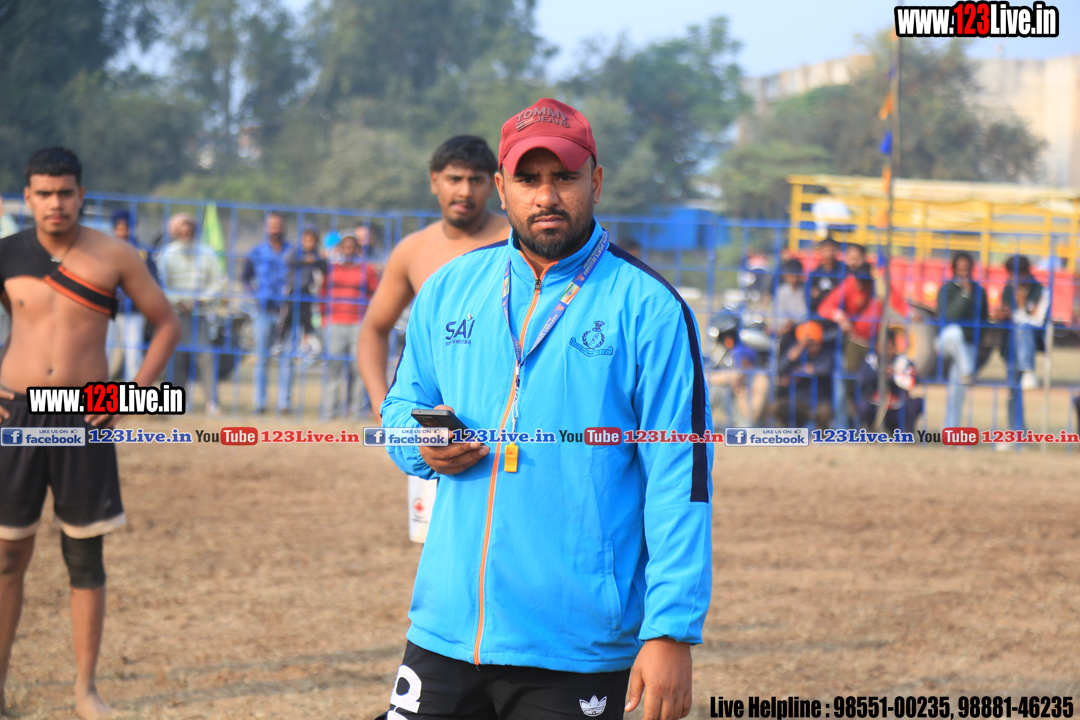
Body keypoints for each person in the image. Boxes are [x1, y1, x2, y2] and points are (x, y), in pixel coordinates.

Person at [378, 98, 712, 720]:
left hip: (577, 645)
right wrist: (419, 445)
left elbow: (679, 477)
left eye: (565, 177)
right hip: (447, 629)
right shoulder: (450, 286)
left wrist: (670, 630)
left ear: (597, 182)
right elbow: (402, 406)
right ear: (502, 188)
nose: (547, 196)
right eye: (528, 179)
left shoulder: (651, 308)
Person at [0, 147, 180, 719]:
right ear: (28, 197)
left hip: (84, 414)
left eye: (65, 192)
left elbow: (167, 323)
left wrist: (132, 396)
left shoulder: (115, 255)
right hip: (16, 416)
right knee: (7, 555)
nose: (55, 203)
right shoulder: (7, 254)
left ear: (81, 195)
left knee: (84, 555)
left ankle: (86, 691)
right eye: (44, 193)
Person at [358, 136, 510, 421]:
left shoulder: (517, 242)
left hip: (506, 412)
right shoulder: (413, 251)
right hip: (437, 418)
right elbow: (374, 329)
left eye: (476, 180)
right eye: (454, 179)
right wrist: (383, 407)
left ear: (493, 186)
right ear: (434, 181)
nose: (465, 191)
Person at [157, 211, 226, 414]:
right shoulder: (167, 254)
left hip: (200, 313)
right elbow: (160, 283)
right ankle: (179, 400)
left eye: (190, 230)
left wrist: (199, 299)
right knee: (177, 357)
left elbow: (218, 283)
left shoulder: (207, 253)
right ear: (176, 232)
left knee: (205, 356)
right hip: (175, 313)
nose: (186, 233)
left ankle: (212, 401)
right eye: (182, 230)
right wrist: (178, 300)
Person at [321, 230, 379, 420]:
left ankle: (357, 413)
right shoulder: (331, 269)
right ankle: (329, 413)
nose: (348, 250)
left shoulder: (367, 270)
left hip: (359, 324)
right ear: (340, 248)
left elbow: (376, 295)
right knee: (333, 369)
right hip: (335, 322)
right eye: (345, 247)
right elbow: (322, 294)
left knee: (359, 369)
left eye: (352, 247)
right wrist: (324, 318)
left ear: (357, 249)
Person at [242, 212, 292, 415]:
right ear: (265, 228)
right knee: (262, 358)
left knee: (287, 359)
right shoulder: (256, 252)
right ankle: (260, 403)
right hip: (263, 311)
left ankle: (284, 404)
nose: (275, 229)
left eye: (278, 225)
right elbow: (245, 278)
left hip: (288, 313)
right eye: (272, 225)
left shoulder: (292, 252)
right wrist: (255, 295)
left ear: (284, 227)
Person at [935, 251, 989, 428]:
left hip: (966, 346)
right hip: (946, 341)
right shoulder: (947, 289)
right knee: (954, 331)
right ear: (954, 269)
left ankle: (950, 430)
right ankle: (968, 370)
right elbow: (948, 317)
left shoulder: (979, 291)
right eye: (961, 269)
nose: (964, 272)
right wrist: (964, 295)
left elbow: (983, 320)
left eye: (967, 269)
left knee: (956, 391)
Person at [109, 210, 159, 382]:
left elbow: (153, 280)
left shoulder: (142, 252)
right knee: (104, 352)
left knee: (133, 354)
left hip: (133, 309)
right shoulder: (105, 249)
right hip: (106, 308)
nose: (122, 232)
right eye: (119, 228)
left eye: (126, 227)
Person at [759, 320, 834, 429]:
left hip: (818, 402)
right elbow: (780, 368)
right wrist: (800, 347)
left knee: (825, 412)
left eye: (815, 343)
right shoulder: (798, 354)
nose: (812, 347)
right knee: (776, 407)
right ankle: (795, 432)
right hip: (798, 402)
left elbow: (825, 369)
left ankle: (820, 436)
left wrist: (802, 370)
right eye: (809, 344)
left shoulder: (825, 353)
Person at [996, 255, 1048, 392]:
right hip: (1010, 338)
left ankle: (1027, 371)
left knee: (1024, 328)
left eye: (1016, 275)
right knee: (1012, 388)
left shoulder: (1041, 291)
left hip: (1035, 337)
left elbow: (1037, 321)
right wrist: (1001, 315)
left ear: (1026, 272)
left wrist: (1016, 313)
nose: (1012, 279)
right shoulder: (1009, 289)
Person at [856, 328, 923, 434]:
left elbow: (914, 381)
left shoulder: (903, 361)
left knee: (916, 403)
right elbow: (862, 378)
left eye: (890, 348)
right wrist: (880, 374)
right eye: (884, 348)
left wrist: (893, 376)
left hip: (898, 408)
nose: (887, 352)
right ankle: (871, 431)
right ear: (877, 347)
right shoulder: (871, 360)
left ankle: (905, 433)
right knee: (863, 406)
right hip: (877, 407)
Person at [806, 236, 846, 315]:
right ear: (820, 251)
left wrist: (820, 294)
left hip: (839, 315)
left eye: (832, 250)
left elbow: (844, 298)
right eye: (826, 250)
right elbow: (810, 300)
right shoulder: (815, 274)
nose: (829, 253)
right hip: (818, 315)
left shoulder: (844, 272)